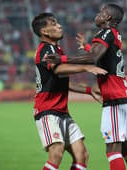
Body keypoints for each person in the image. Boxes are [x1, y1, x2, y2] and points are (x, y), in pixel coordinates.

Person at [44, 4, 127, 170]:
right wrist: (88, 47)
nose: (97, 15)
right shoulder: (115, 35)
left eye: (101, 13)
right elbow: (103, 56)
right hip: (126, 96)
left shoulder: (106, 32)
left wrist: (62, 59)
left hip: (114, 98)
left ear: (108, 18)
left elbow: (93, 58)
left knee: (113, 150)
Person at [31, 12, 107, 170]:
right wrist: (85, 67)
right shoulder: (45, 49)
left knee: (82, 155)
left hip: (62, 112)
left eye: (57, 22)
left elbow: (64, 82)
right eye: (53, 23)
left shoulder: (58, 51)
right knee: (56, 151)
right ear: (44, 31)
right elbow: (58, 69)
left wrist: (88, 91)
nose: (59, 26)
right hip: (47, 111)